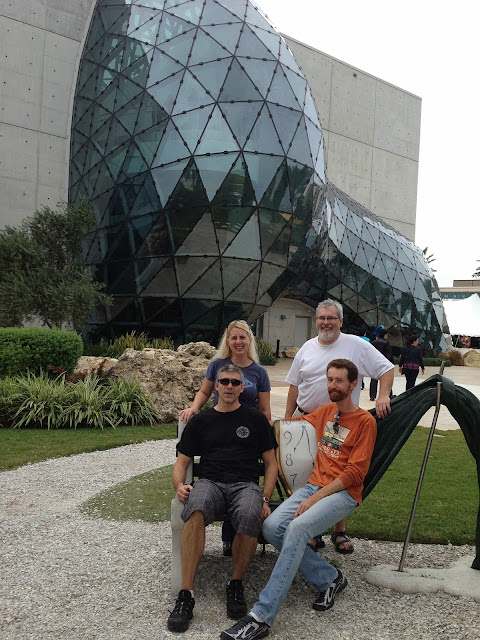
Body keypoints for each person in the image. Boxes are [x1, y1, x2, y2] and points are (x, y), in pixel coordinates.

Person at [221, 359, 377, 640]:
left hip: (342, 493)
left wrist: (315, 498)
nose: (333, 385)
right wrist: (263, 425)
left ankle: (261, 615)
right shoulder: (327, 412)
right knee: (271, 527)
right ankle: (329, 578)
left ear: (353, 384)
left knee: (296, 528)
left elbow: (355, 473)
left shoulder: (366, 422)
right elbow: (292, 424)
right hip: (313, 487)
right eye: (330, 379)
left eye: (339, 380)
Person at [168, 365, 277, 633]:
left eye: (235, 382)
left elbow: (271, 464)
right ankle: (186, 594)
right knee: (195, 508)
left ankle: (235, 583)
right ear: (216, 386)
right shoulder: (201, 421)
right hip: (210, 482)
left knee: (249, 514)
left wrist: (265, 498)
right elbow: (181, 463)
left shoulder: (255, 420)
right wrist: (179, 486)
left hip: (245, 485)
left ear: (242, 388)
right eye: (224, 381)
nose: (229, 386)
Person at [284, 299, 393, 553]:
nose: (326, 322)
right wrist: (287, 419)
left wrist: (383, 396)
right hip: (308, 421)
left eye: (331, 318)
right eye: (321, 318)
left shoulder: (356, 345)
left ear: (340, 321)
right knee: (308, 475)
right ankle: (311, 529)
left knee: (338, 474)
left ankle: (339, 530)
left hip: (340, 423)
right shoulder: (307, 348)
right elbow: (294, 385)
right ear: (316, 321)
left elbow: (386, 369)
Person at [180, 320, 272, 555]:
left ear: (249, 340)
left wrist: (265, 432)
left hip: (248, 431)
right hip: (221, 426)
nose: (238, 342)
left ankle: (236, 537)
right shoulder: (217, 365)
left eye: (243, 337)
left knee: (242, 479)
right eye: (234, 338)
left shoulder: (259, 372)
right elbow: (205, 391)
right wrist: (194, 408)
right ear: (228, 341)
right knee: (223, 472)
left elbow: (264, 408)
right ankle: (228, 539)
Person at [369, 328, 394, 401]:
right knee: (386, 380)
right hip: (384, 363)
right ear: (385, 335)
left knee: (373, 380)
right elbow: (389, 355)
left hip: (375, 363)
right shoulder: (386, 343)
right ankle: (389, 394)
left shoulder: (373, 342)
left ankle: (372, 396)